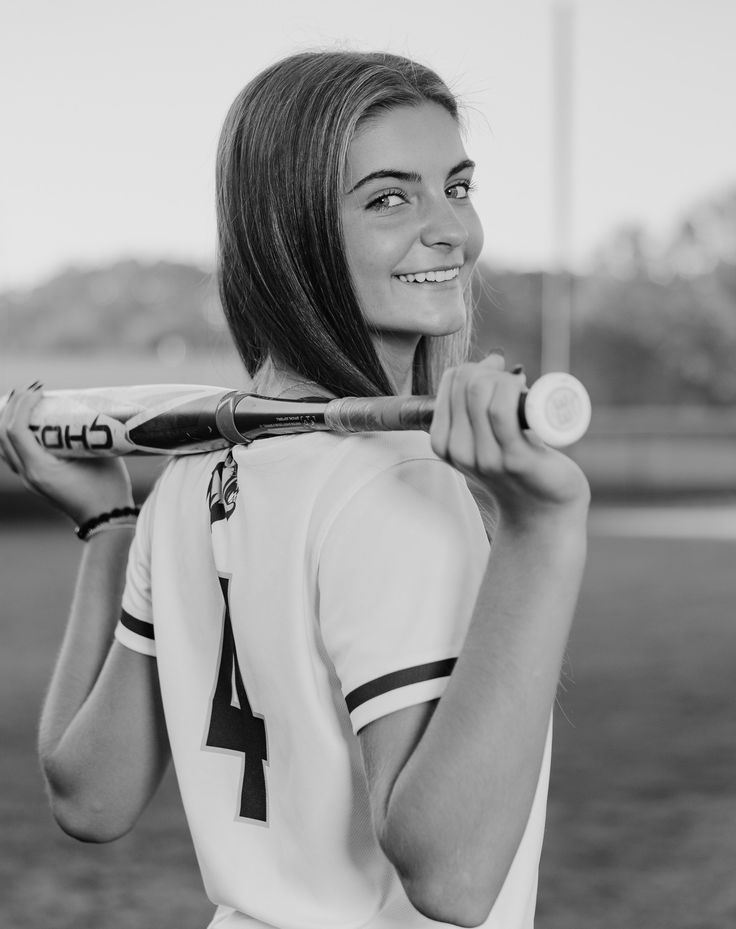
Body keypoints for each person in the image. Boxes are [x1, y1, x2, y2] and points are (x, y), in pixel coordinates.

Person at [0, 51, 589, 928]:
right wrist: (544, 530)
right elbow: (453, 878)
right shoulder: (398, 489)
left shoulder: (193, 476)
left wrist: (111, 526)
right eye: (390, 198)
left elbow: (90, 796)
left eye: (456, 187)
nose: (452, 232)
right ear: (293, 230)